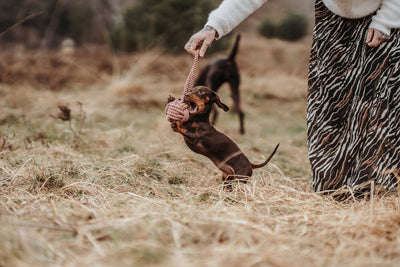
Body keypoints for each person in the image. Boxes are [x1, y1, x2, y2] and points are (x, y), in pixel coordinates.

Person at [185, 0, 400, 196]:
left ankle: (376, 189)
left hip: (386, 16)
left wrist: (386, 21)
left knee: (378, 108)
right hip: (333, 23)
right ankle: (336, 189)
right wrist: (213, 27)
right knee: (328, 106)